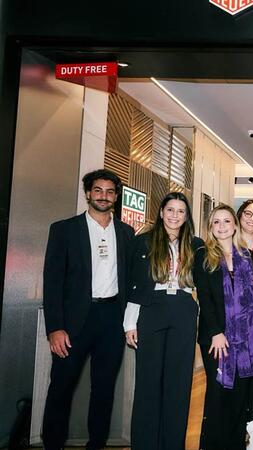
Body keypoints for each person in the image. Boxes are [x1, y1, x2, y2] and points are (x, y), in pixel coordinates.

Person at [41, 169, 135, 450]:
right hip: (72, 323)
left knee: (104, 390)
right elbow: (52, 281)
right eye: (98, 190)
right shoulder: (64, 230)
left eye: (109, 191)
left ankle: (96, 444)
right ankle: (52, 445)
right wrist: (54, 327)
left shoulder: (127, 233)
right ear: (88, 194)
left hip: (111, 319)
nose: (103, 196)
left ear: (116, 197)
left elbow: (131, 280)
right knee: (61, 388)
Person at [124, 191, 204, 450]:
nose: (175, 216)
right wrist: (129, 323)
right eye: (170, 210)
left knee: (179, 384)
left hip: (183, 308)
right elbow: (134, 285)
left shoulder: (196, 244)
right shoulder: (144, 241)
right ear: (161, 212)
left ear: (186, 216)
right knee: (148, 382)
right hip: (151, 308)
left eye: (181, 211)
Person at [195, 204, 253, 450]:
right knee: (218, 394)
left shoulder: (245, 256)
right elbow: (204, 296)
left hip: (245, 340)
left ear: (235, 225)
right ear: (211, 227)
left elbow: (252, 299)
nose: (222, 226)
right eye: (216, 222)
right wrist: (216, 333)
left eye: (226, 221)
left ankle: (235, 444)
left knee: (239, 396)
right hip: (217, 338)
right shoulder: (204, 255)